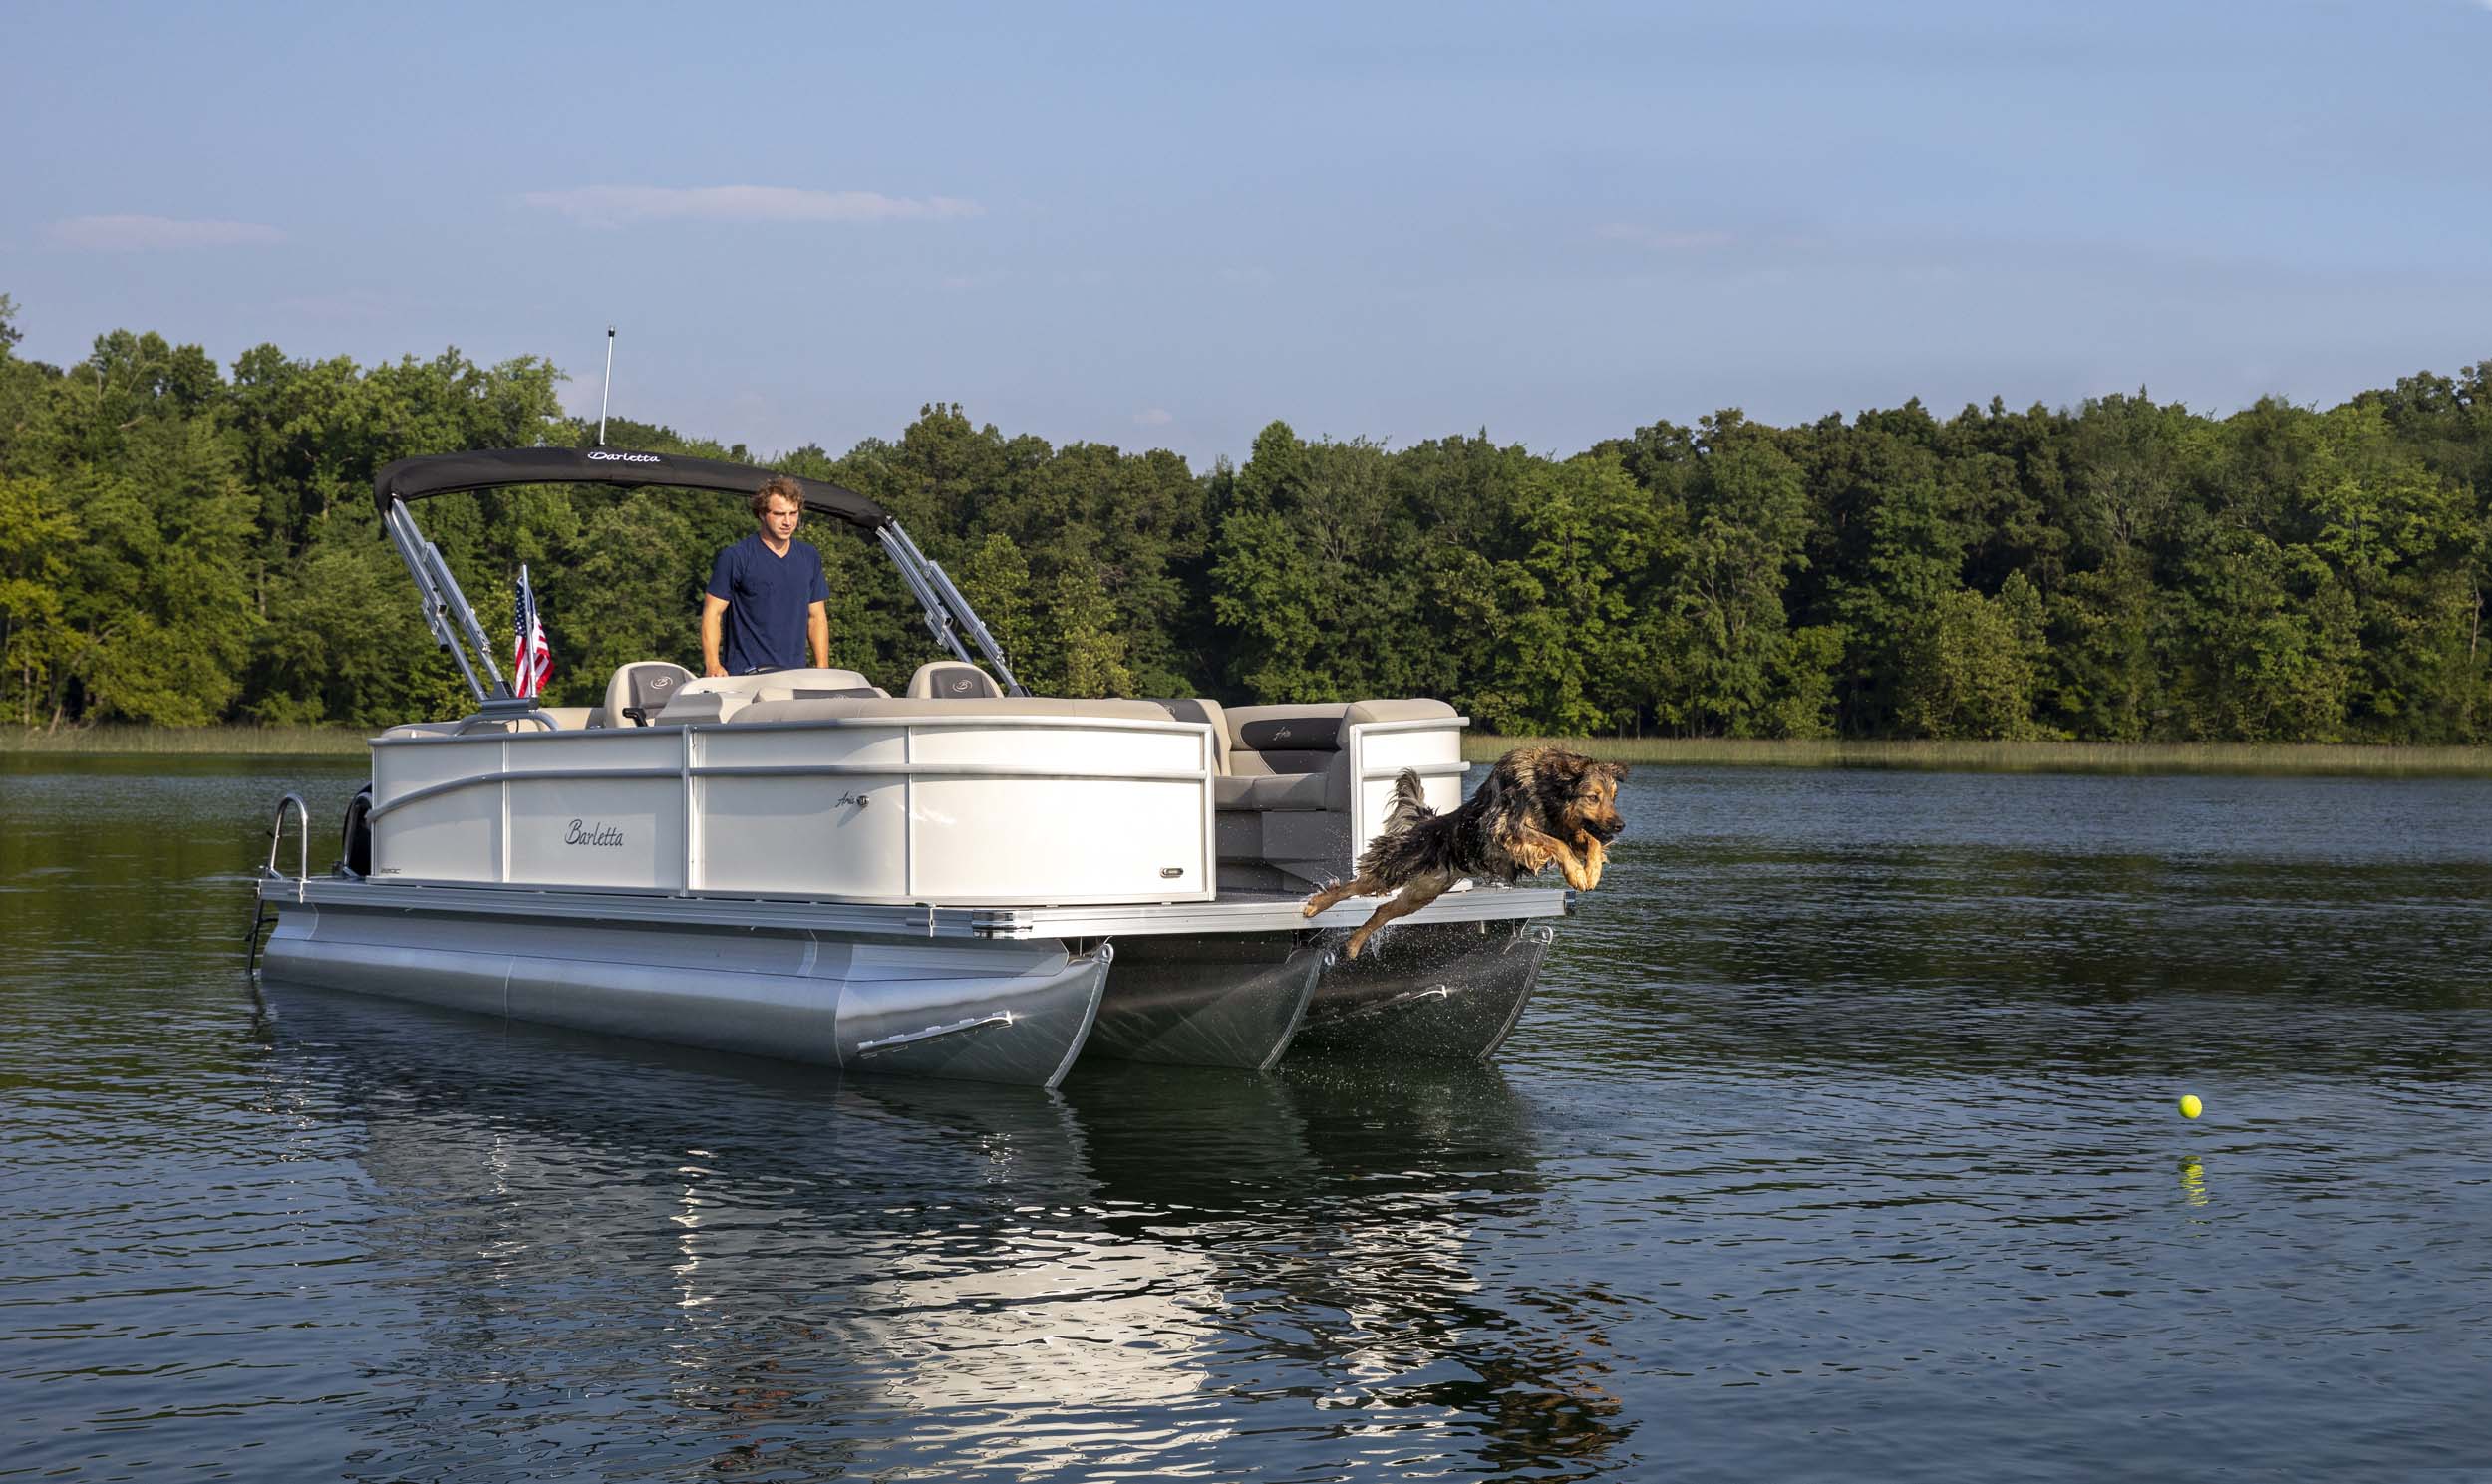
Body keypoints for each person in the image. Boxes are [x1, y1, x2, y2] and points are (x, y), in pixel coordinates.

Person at [702, 476, 830, 676]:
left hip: (795, 677)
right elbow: (712, 613)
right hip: (746, 676)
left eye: (793, 513)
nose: (788, 522)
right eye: (779, 514)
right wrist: (712, 664)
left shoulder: (809, 557)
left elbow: (816, 617)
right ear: (762, 514)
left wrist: (823, 669)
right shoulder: (736, 556)